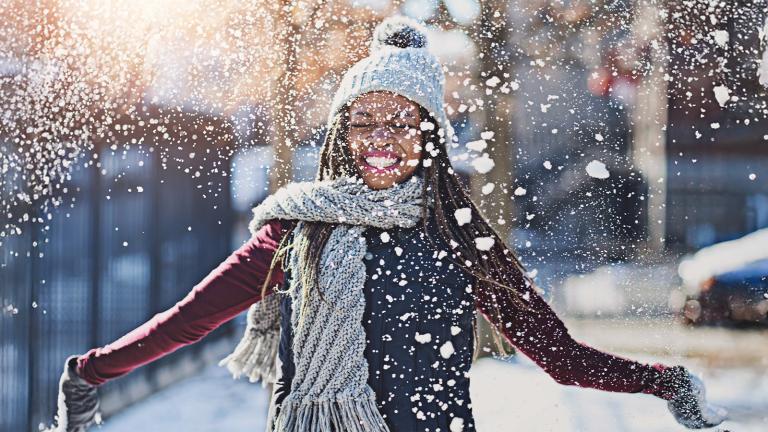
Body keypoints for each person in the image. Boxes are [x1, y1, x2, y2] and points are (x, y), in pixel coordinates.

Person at [48, 15, 728, 432]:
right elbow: (190, 320)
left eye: (401, 121)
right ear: (342, 133)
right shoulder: (298, 232)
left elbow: (559, 357)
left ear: (428, 133)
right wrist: (89, 373)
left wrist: (664, 383)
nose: (380, 138)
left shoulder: (463, 237)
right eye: (363, 121)